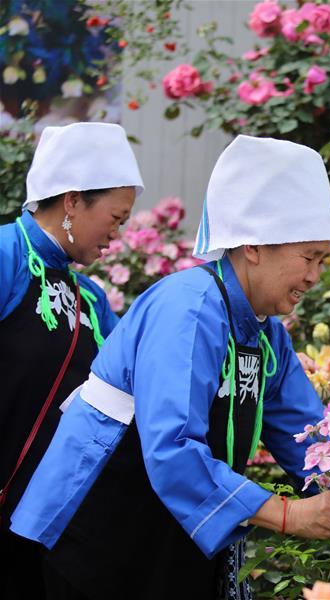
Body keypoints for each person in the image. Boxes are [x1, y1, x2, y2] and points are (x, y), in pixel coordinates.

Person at [11, 135, 330, 600]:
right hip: (101, 525)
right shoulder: (188, 309)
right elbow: (173, 446)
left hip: (164, 524)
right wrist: (287, 514)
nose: (314, 276)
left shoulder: (268, 334)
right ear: (252, 246)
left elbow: (307, 437)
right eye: (308, 257)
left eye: (322, 260)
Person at [0, 122, 143, 599]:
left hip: (37, 527)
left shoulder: (91, 299)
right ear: (73, 200)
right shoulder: (7, 255)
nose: (117, 235)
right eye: (116, 217)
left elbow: (137, 377)